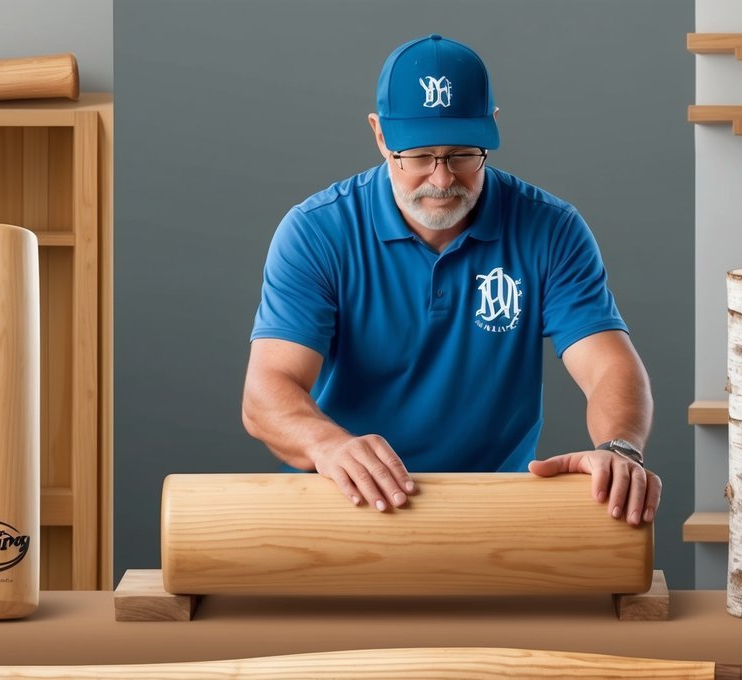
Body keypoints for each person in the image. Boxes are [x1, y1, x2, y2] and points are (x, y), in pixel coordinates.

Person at [242, 34, 661, 527]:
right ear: (380, 136)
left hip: (494, 508)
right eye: (419, 156)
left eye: (462, 154)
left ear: (491, 131)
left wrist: (619, 449)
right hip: (348, 505)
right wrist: (327, 444)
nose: (442, 180)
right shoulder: (316, 231)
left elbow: (610, 365)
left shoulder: (551, 228)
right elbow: (266, 390)